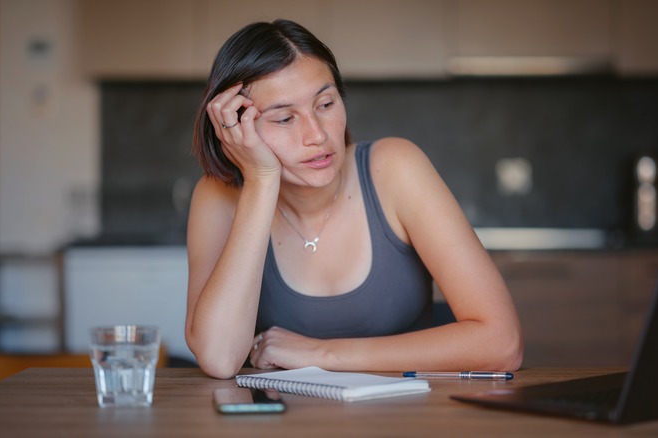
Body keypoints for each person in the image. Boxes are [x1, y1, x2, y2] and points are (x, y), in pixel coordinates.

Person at [186, 19, 523, 379]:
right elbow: (220, 358)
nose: (316, 134)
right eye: (285, 118)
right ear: (236, 126)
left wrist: (323, 353)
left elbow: (502, 343)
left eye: (326, 104)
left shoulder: (395, 168)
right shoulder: (218, 195)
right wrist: (261, 180)